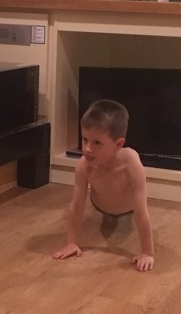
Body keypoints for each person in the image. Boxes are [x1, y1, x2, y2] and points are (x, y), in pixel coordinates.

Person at [52, 99, 155, 271]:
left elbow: (141, 211)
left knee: (125, 223)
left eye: (97, 143)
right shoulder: (84, 165)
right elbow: (76, 206)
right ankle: (107, 216)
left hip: (128, 209)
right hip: (99, 205)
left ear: (118, 144)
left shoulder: (131, 162)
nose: (87, 148)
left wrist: (147, 252)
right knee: (102, 222)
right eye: (85, 139)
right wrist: (72, 243)